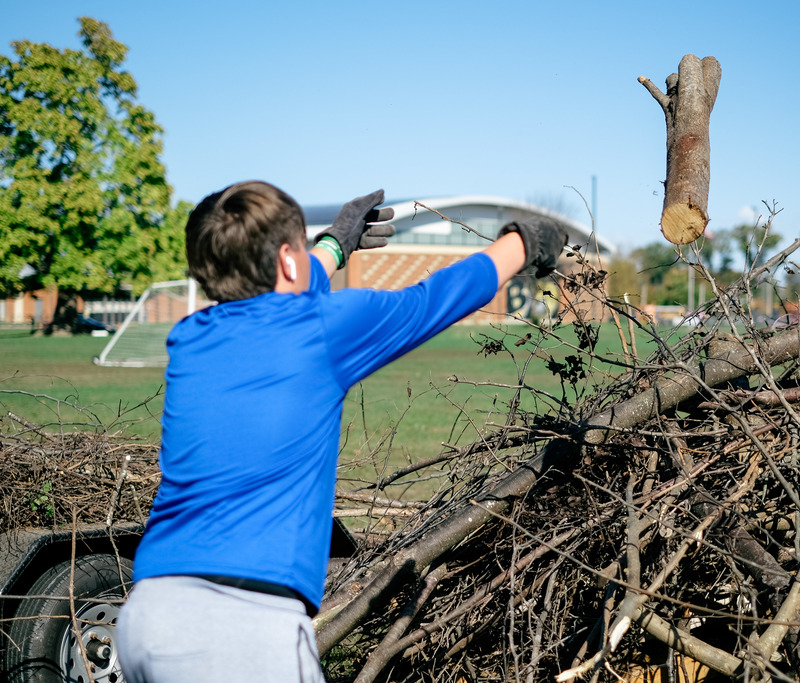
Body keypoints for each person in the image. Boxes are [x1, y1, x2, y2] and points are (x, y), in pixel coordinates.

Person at [117, 180, 567, 683]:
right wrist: (522, 242)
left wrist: (333, 245)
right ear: (288, 260)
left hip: (149, 614)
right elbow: (434, 300)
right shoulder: (325, 328)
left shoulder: (192, 338)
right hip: (240, 628)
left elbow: (279, 292)